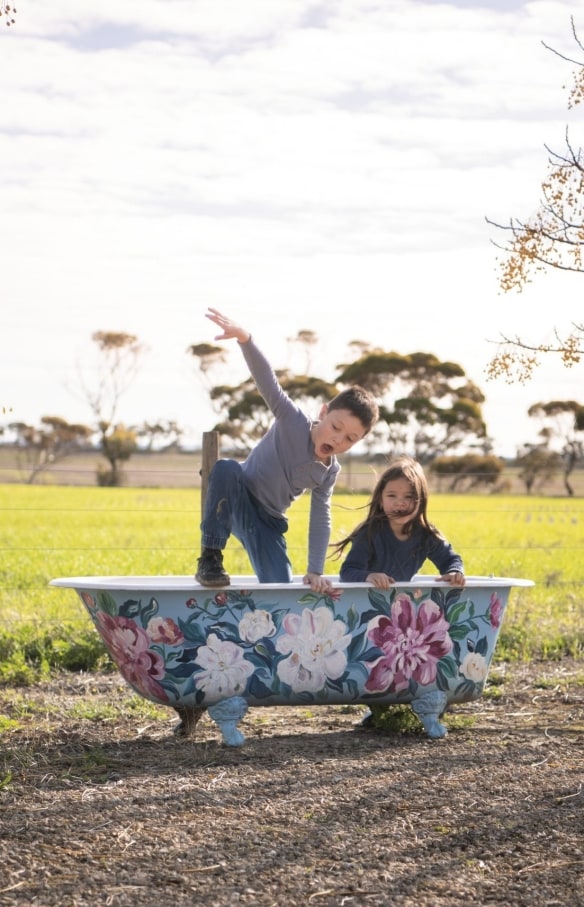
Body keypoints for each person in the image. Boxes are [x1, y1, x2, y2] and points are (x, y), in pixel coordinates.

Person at [195, 308, 380, 593]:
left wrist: (315, 571)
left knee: (281, 588)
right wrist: (246, 340)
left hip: (268, 523)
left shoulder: (328, 471)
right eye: (336, 427)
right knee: (226, 468)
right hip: (238, 499)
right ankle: (210, 558)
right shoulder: (292, 420)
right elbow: (268, 382)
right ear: (324, 411)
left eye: (350, 439)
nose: (338, 439)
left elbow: (321, 515)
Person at [333, 455, 465, 588]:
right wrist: (369, 576)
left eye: (409, 496)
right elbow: (347, 572)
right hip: (365, 600)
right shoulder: (369, 533)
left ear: (421, 500)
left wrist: (454, 572)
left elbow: (450, 560)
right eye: (392, 496)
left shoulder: (426, 534)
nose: (400, 503)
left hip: (401, 601)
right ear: (380, 500)